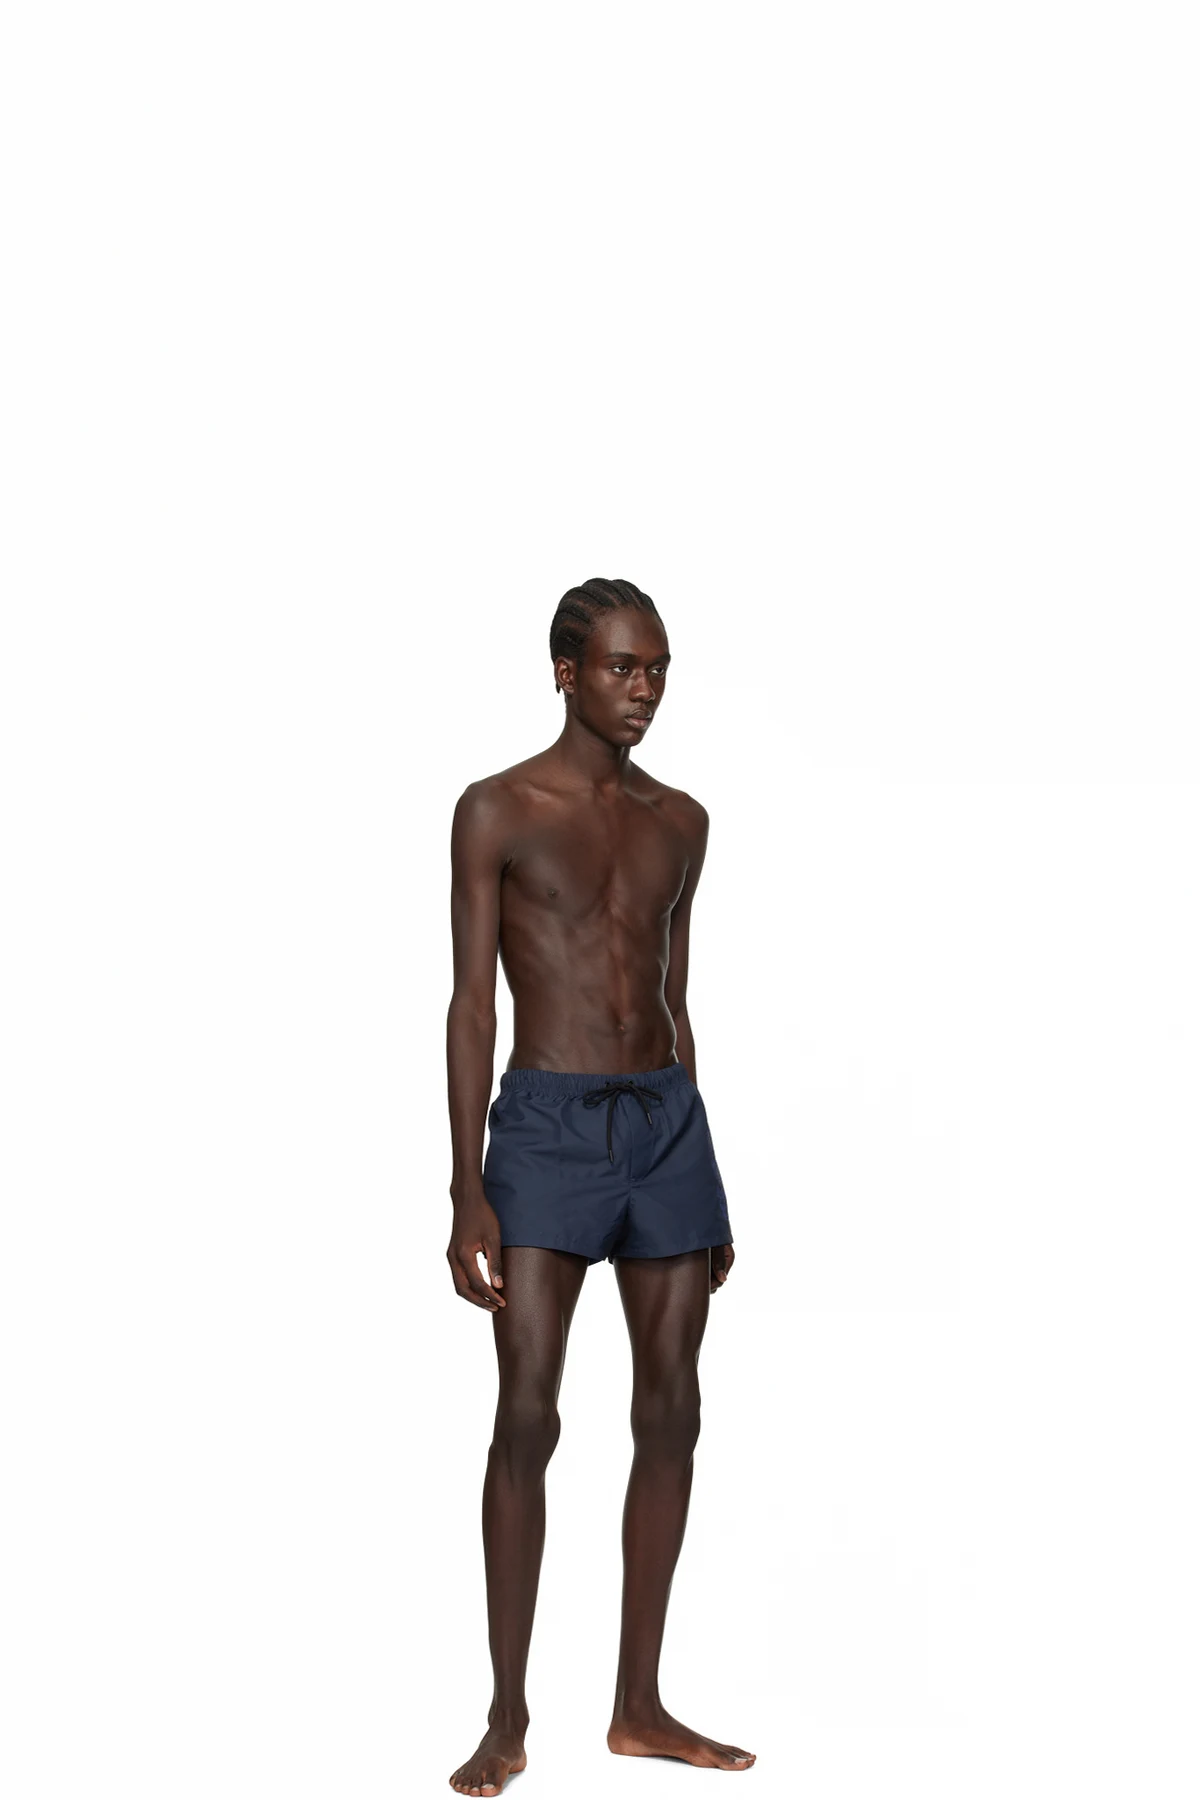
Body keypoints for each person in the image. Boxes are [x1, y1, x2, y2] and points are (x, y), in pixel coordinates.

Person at [446, 578, 754, 1794]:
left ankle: (639, 1706)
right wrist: (466, 1190)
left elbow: (678, 996)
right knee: (528, 1412)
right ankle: (506, 1717)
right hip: (545, 1125)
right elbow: (472, 1005)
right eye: (624, 668)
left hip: (667, 1126)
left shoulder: (684, 820)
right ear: (566, 671)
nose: (646, 690)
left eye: (658, 668)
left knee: (674, 1410)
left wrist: (704, 1165)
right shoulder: (497, 808)